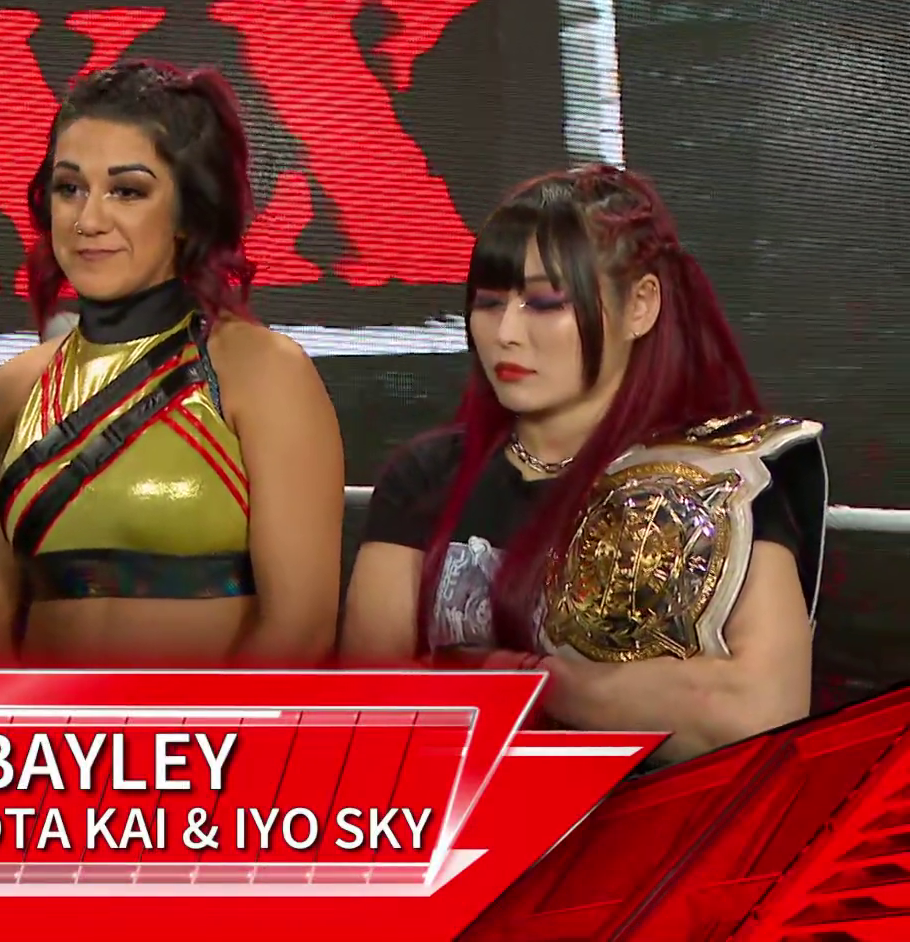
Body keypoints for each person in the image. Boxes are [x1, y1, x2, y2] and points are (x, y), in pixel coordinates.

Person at [340, 164, 825, 765]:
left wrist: (527, 680)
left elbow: (759, 713)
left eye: (545, 303)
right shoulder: (426, 475)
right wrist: (628, 694)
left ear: (640, 305)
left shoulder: (717, 481)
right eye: (489, 303)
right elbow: (370, 701)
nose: (506, 332)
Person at [0, 60, 345, 666]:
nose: (88, 220)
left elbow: (300, 629)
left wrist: (185, 730)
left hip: (210, 727)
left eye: (127, 191)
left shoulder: (262, 374)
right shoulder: (11, 394)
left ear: (189, 211)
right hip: (40, 727)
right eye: (69, 188)